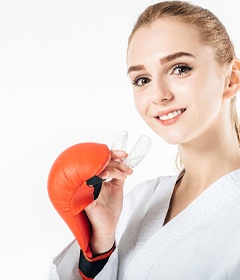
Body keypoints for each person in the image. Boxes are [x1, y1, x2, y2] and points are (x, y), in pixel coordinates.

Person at [48, 1, 240, 279]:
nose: (158, 95)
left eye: (180, 68)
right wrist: (101, 244)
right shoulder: (140, 201)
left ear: (231, 78)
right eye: (142, 79)